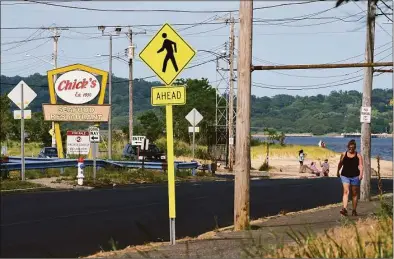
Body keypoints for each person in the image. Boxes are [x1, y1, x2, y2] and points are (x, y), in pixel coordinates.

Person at [337, 139, 363, 216]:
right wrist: (337, 171)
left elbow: (361, 166)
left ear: (355, 148)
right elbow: (340, 163)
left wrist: (361, 174)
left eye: (352, 148)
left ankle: (354, 210)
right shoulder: (343, 154)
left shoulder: (358, 155)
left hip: (355, 176)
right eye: (349, 147)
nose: (351, 149)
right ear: (347, 147)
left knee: (354, 193)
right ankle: (344, 209)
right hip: (345, 175)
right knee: (346, 191)